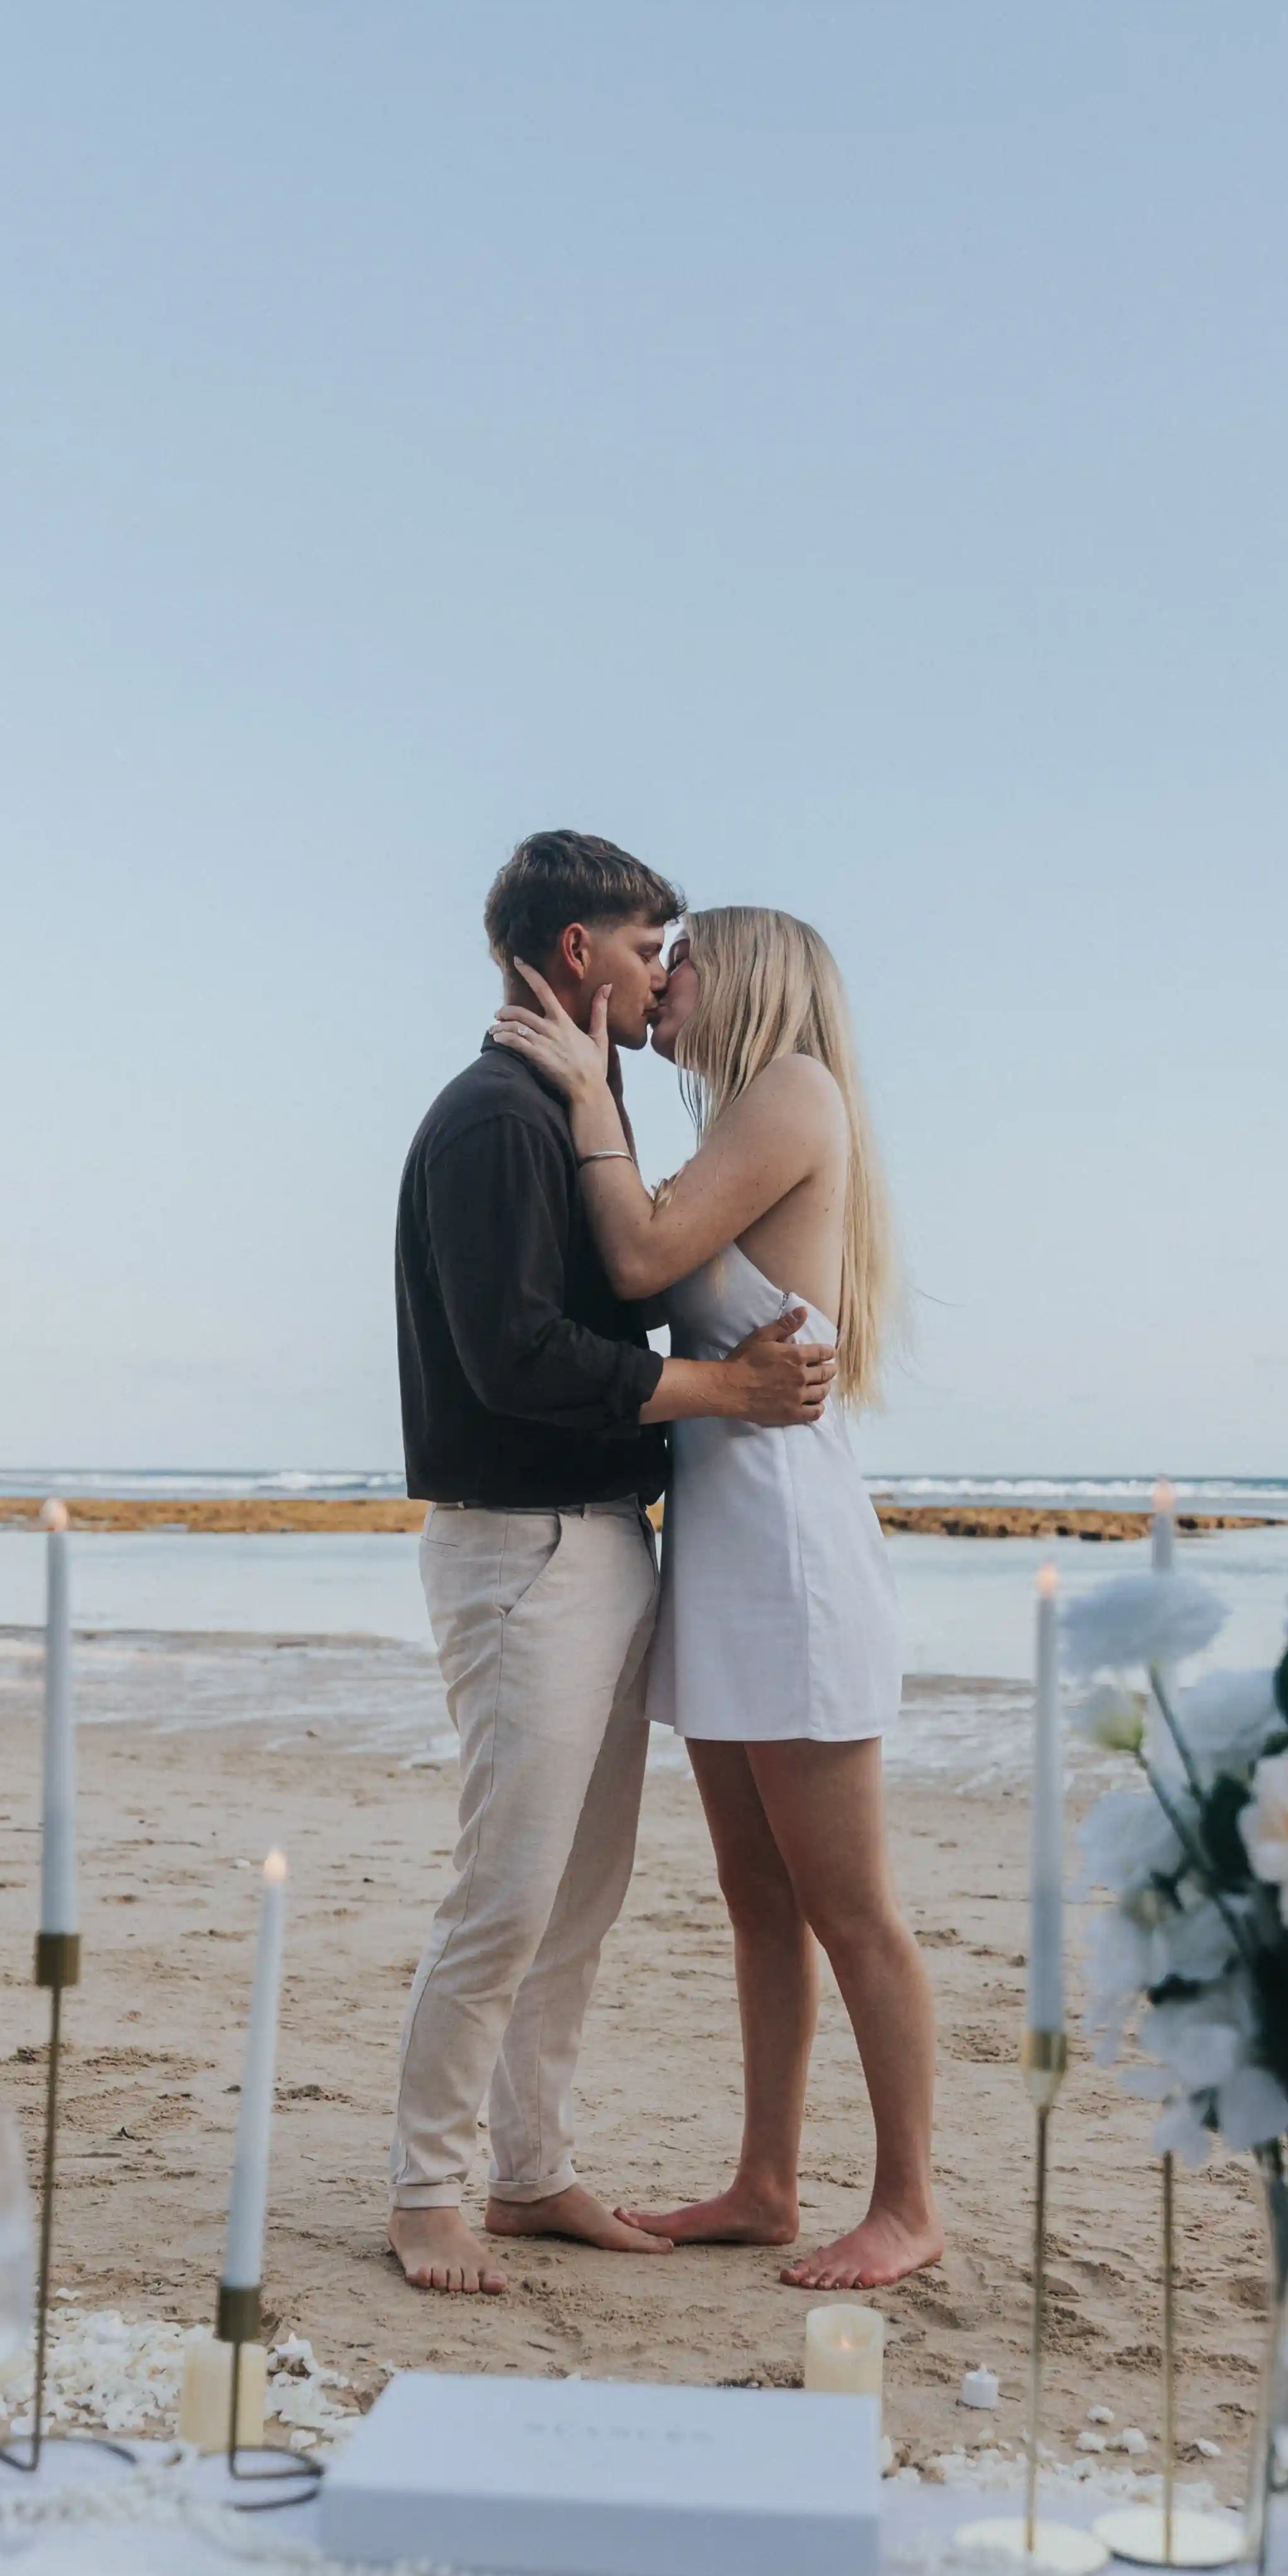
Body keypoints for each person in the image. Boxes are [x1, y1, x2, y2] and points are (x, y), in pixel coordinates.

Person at [388, 836, 837, 2297]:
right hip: (521, 1550)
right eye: (649, 947)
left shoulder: (578, 1106)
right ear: (577, 952)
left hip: (602, 1542)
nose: (663, 974)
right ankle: (427, 2190)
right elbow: (515, 1360)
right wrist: (722, 1391)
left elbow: (623, 1281)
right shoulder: (493, 1118)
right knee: (506, 1891)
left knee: (579, 1895)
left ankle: (529, 2171)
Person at [490, 906, 942, 2292]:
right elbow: (635, 1259)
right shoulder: (744, 1118)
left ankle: (908, 2204)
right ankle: (765, 2184)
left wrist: (586, 1093)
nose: (661, 974)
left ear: (744, 976)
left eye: (683, 956)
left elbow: (637, 1260)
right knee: (757, 1898)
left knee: (848, 1906)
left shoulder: (792, 1089)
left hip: (789, 1554)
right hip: (727, 1549)